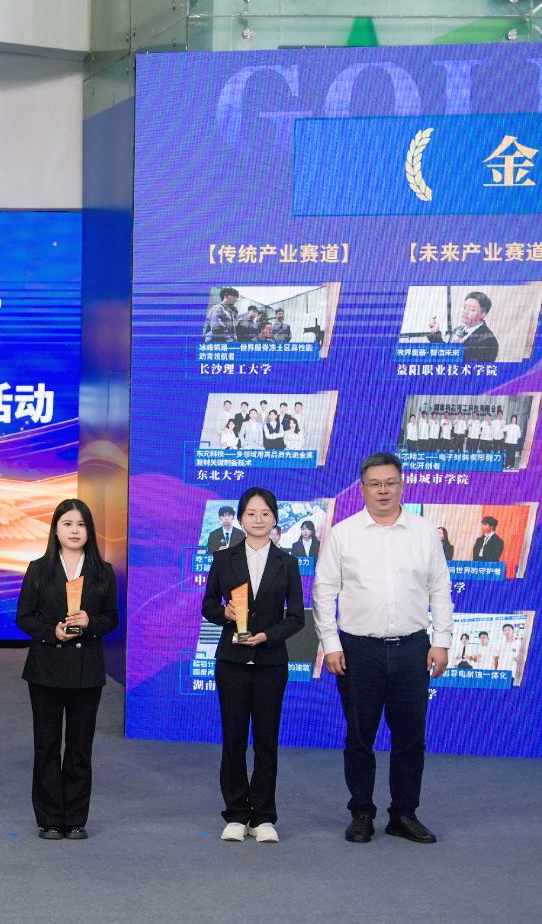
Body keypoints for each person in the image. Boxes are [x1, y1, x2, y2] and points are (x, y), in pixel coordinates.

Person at [313, 452, 453, 845]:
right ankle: (361, 813)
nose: (383, 490)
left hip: (413, 649)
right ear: (362, 489)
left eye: (390, 482)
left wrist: (441, 641)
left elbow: (440, 588)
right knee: (360, 736)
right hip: (358, 651)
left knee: (410, 736)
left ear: (402, 485)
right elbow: (323, 592)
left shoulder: (424, 532)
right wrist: (330, 644)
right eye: (375, 484)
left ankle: (404, 814)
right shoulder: (343, 534)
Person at [200, 488, 305, 843]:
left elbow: (296, 618)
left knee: (266, 740)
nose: (258, 520)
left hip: (270, 662)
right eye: (251, 513)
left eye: (265, 514)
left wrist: (267, 636)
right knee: (233, 739)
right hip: (231, 660)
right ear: (241, 518)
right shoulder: (223, 558)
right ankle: (235, 813)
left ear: (275, 518)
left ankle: (262, 817)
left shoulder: (287, 562)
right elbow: (208, 605)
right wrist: (226, 613)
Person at [14, 499, 119, 840]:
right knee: (46, 745)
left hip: (87, 669)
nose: (75, 531)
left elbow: (112, 619)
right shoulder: (38, 569)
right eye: (68, 524)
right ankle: (48, 819)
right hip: (46, 668)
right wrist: (52, 632)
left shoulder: (103, 571)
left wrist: (90, 622)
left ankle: (74, 819)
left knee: (79, 747)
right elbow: (24, 618)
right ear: (56, 529)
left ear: (90, 530)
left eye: (81, 524)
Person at [430, 292, 498, 362]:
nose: (465, 312)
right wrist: (435, 334)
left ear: (483, 314)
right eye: (465, 307)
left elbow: (478, 367)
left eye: (472, 309)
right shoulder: (457, 330)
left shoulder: (489, 341)